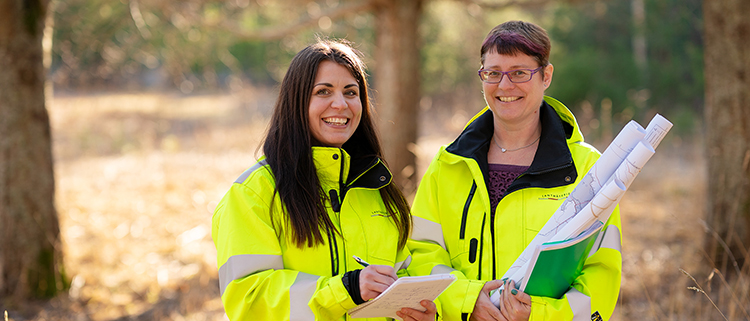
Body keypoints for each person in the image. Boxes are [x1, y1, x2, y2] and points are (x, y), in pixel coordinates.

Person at [406, 21, 622, 321]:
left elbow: (601, 271)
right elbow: (421, 252)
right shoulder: (448, 164)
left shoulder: (588, 168)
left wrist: (539, 314)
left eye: (519, 73)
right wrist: (468, 301)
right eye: (493, 73)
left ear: (546, 76)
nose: (504, 86)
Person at [212, 39, 436, 321]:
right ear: (297, 101)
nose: (340, 104)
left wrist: (418, 313)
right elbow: (250, 300)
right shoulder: (253, 193)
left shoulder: (378, 188)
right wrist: (346, 290)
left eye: (350, 92)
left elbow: (404, 277)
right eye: (323, 91)